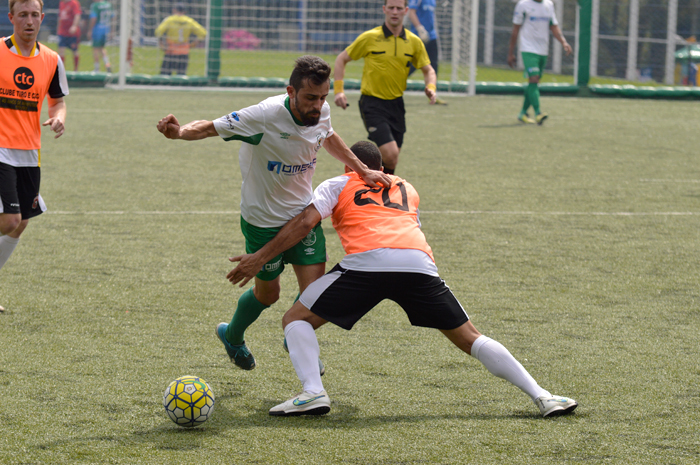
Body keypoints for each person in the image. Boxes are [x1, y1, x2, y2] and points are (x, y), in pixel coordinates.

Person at [227, 141, 579, 418]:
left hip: (366, 263)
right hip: (416, 262)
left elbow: (305, 224)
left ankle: (312, 393)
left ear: (353, 165)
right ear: (382, 168)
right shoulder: (406, 186)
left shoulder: (340, 181)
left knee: (294, 319)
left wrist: (261, 256)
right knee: (470, 337)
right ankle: (543, 396)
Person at [156, 56, 391, 372]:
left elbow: (328, 134)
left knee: (314, 295)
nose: (317, 106)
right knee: (268, 294)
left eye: (322, 98)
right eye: (310, 98)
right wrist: (179, 132)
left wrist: (362, 170)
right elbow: (210, 127)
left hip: (302, 216)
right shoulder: (264, 116)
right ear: (290, 91)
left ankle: (297, 338)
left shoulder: (320, 112)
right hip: (262, 221)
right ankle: (233, 335)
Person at [0, 0, 69, 313]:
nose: (29, 21)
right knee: (10, 219)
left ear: (42, 18)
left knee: (20, 225)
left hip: (29, 152)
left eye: (34, 15)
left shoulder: (52, 59)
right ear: (11, 17)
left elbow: (57, 102)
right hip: (0, 147)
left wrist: (59, 117)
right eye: (22, 15)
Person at [333, 0, 438, 175]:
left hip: (396, 105)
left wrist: (431, 87)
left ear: (405, 11)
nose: (395, 12)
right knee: (390, 154)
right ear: (384, 10)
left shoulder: (414, 42)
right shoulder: (369, 37)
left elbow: (428, 70)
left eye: (398, 8)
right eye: (391, 8)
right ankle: (353, 180)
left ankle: (382, 194)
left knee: (391, 160)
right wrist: (339, 91)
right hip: (372, 104)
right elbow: (341, 59)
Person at [507, 0, 572, 125]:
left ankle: (522, 113)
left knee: (534, 84)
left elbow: (553, 26)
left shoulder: (549, 5)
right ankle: (538, 113)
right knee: (534, 79)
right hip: (528, 49)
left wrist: (563, 42)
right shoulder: (523, 5)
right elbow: (515, 30)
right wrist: (510, 53)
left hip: (543, 50)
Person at [406, 0, 446, 105]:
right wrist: (419, 28)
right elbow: (411, 12)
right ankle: (391, 88)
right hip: (418, 36)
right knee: (411, 65)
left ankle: (432, 94)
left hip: (431, 36)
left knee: (433, 65)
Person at [154, 4, 207, 76]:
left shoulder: (170, 20)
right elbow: (203, 33)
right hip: (184, 52)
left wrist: (161, 44)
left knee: (165, 75)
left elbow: (158, 32)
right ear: (184, 11)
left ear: (174, 10)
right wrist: (194, 44)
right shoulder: (189, 21)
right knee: (181, 76)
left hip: (171, 51)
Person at [87, 0, 112, 72]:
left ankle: (97, 69)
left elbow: (93, 18)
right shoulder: (108, 4)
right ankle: (107, 65)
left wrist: (90, 30)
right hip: (106, 29)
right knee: (102, 48)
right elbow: (113, 17)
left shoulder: (95, 5)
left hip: (97, 30)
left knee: (95, 49)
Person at [56, 0, 81, 71]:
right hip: (63, 32)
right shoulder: (61, 3)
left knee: (75, 50)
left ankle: (76, 69)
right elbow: (60, 16)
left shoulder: (74, 3)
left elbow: (77, 15)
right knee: (61, 50)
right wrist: (58, 29)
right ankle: (61, 70)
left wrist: (74, 26)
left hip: (72, 33)